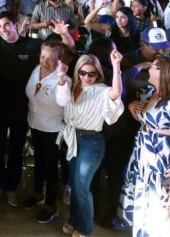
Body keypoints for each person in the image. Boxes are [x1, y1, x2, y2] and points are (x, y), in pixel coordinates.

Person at [120, 57, 170, 235]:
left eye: (154, 67)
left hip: (163, 161)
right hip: (144, 157)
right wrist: (133, 107)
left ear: (164, 73)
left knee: (163, 212)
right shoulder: (149, 92)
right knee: (145, 207)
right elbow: (149, 123)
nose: (149, 68)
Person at [58, 51, 124, 237]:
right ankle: (74, 219)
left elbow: (116, 93)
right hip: (71, 139)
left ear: (98, 74)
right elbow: (60, 101)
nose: (86, 77)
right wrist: (62, 78)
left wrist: (116, 66)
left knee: (82, 187)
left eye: (91, 74)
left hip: (91, 142)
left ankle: (85, 229)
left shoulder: (102, 90)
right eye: (82, 72)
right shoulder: (71, 86)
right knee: (75, 184)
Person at [0, 12, 42, 206]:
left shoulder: (32, 46)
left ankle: (11, 187)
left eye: (7, 25)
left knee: (16, 148)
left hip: (21, 108)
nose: (3, 30)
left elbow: (53, 52)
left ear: (16, 25)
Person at [24, 40, 70, 224]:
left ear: (60, 59)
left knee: (51, 167)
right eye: (43, 56)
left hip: (52, 128)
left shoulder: (63, 79)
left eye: (51, 58)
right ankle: (37, 193)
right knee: (39, 161)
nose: (45, 61)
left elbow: (62, 101)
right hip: (35, 124)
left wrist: (60, 79)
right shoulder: (36, 69)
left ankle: (51, 204)